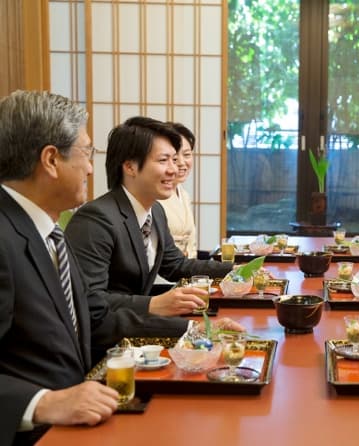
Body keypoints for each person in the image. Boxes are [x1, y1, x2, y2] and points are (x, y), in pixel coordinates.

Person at [0, 91, 242, 445]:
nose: (89, 167)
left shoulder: (48, 231)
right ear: (51, 160)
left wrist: (193, 330)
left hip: (86, 409)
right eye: (86, 153)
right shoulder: (16, 234)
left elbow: (95, 318)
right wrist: (42, 403)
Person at [65, 116, 233, 317]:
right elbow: (90, 300)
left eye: (174, 159)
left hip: (138, 327)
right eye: (163, 160)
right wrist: (153, 304)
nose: (173, 169)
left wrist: (235, 269)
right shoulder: (96, 219)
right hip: (107, 341)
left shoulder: (156, 211)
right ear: (130, 167)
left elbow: (176, 265)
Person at [159, 122, 198, 258]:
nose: (182, 163)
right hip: (165, 274)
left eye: (187, 155)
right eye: (175, 158)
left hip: (187, 271)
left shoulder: (184, 194)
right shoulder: (154, 195)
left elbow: (192, 244)